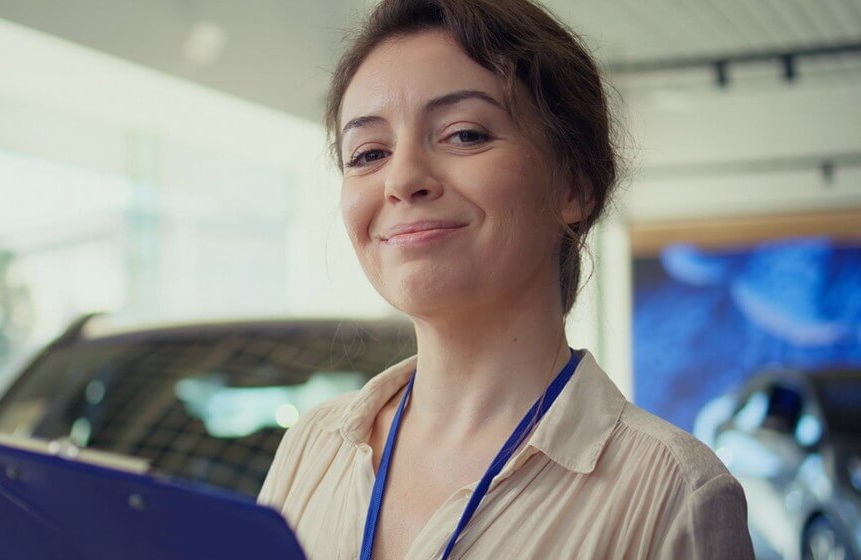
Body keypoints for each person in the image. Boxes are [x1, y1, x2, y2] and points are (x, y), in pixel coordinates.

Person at [258, 0, 754, 558]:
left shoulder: (670, 493)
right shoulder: (313, 448)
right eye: (369, 153)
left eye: (464, 135)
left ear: (574, 184)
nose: (401, 179)